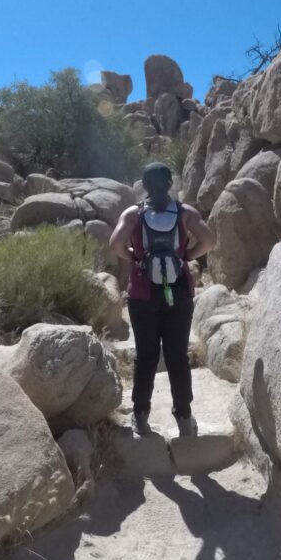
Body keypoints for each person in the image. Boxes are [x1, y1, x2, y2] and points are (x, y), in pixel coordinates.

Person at [109, 161, 216, 438]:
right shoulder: (185, 213)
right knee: (177, 357)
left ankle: (141, 417)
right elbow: (208, 241)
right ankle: (184, 418)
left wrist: (136, 256)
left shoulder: (134, 214)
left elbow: (115, 244)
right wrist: (186, 256)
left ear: (144, 186)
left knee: (146, 356)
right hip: (178, 291)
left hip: (142, 293)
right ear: (170, 184)